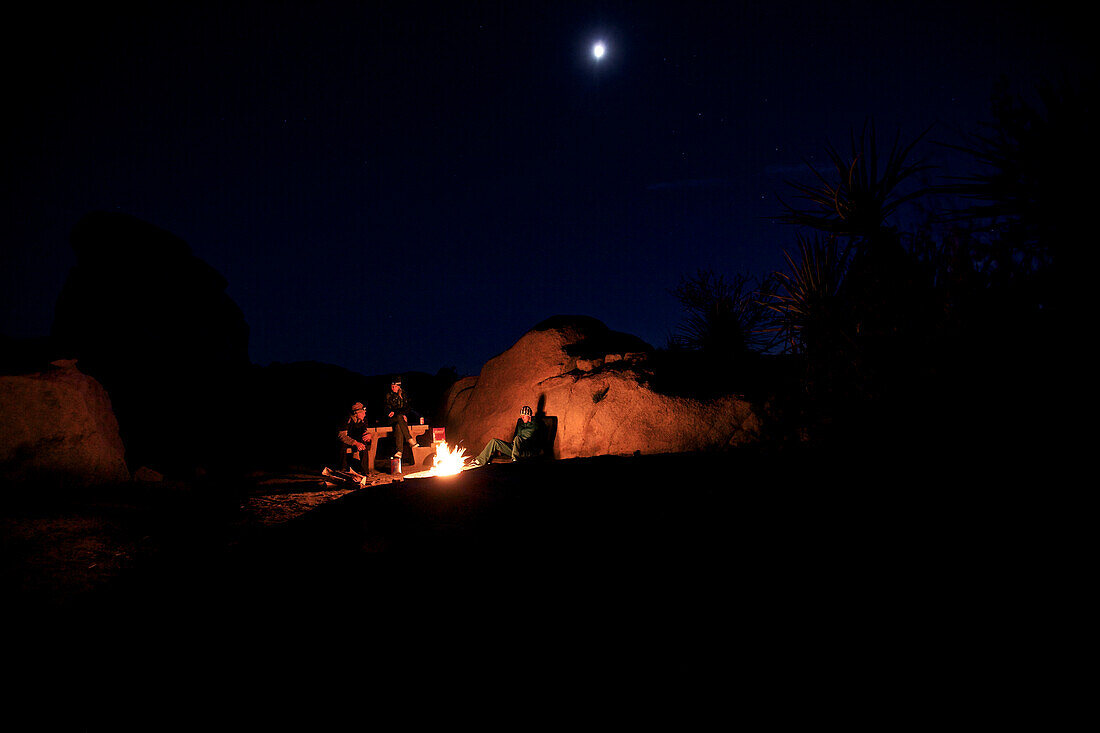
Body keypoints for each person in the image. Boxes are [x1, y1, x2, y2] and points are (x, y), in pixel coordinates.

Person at [469, 405, 543, 467]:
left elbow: (532, 440)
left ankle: (514, 462)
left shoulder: (536, 424)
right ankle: (479, 461)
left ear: (529, 416)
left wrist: (519, 441)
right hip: (515, 449)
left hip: (526, 451)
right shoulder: (520, 424)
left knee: (517, 438)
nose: (522, 417)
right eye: (521, 416)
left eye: (524, 416)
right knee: (494, 441)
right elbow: (516, 438)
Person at [384, 377, 421, 459]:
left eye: (395, 386)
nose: (393, 388)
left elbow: (407, 408)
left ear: (399, 386)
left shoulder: (403, 394)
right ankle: (409, 439)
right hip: (391, 419)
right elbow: (386, 407)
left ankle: (399, 451)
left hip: (400, 420)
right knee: (399, 418)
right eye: (392, 386)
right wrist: (390, 412)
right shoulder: (389, 395)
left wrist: (403, 414)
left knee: (398, 426)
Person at [337, 401, 373, 475]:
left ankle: (364, 471)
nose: (365, 413)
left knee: (364, 445)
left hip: (356, 439)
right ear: (356, 413)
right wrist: (355, 443)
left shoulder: (363, 420)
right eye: (363, 412)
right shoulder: (347, 419)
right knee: (342, 445)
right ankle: (342, 469)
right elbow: (342, 436)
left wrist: (368, 435)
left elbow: (364, 432)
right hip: (347, 440)